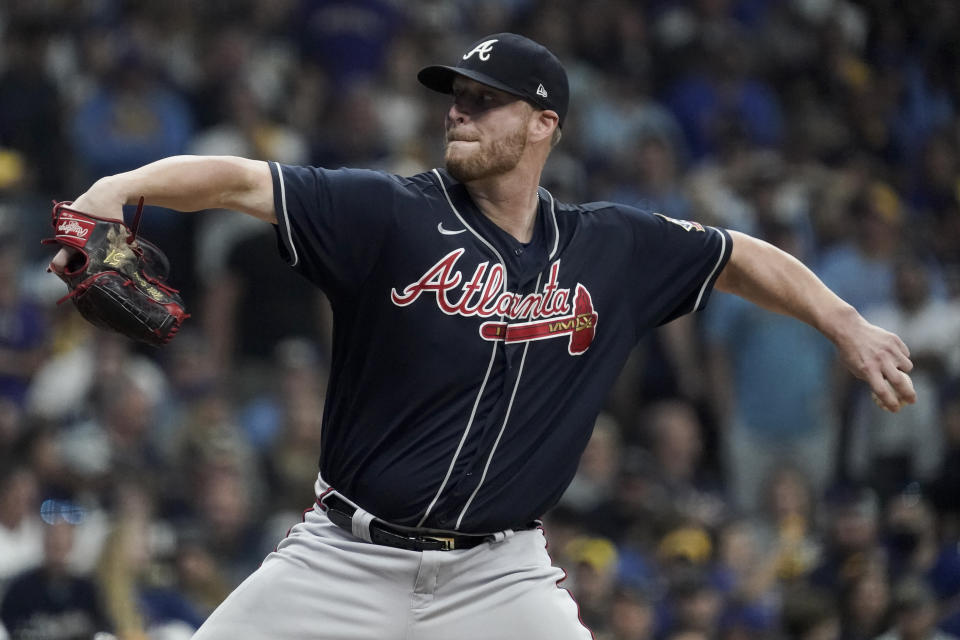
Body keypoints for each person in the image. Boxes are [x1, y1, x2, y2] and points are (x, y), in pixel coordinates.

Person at [50, 32, 917, 640]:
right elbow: (240, 180)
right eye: (456, 97)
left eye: (485, 101)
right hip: (345, 561)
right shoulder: (389, 213)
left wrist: (843, 321)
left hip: (499, 576)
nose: (459, 112)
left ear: (544, 124)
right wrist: (117, 186)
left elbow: (736, 256)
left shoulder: (609, 246)